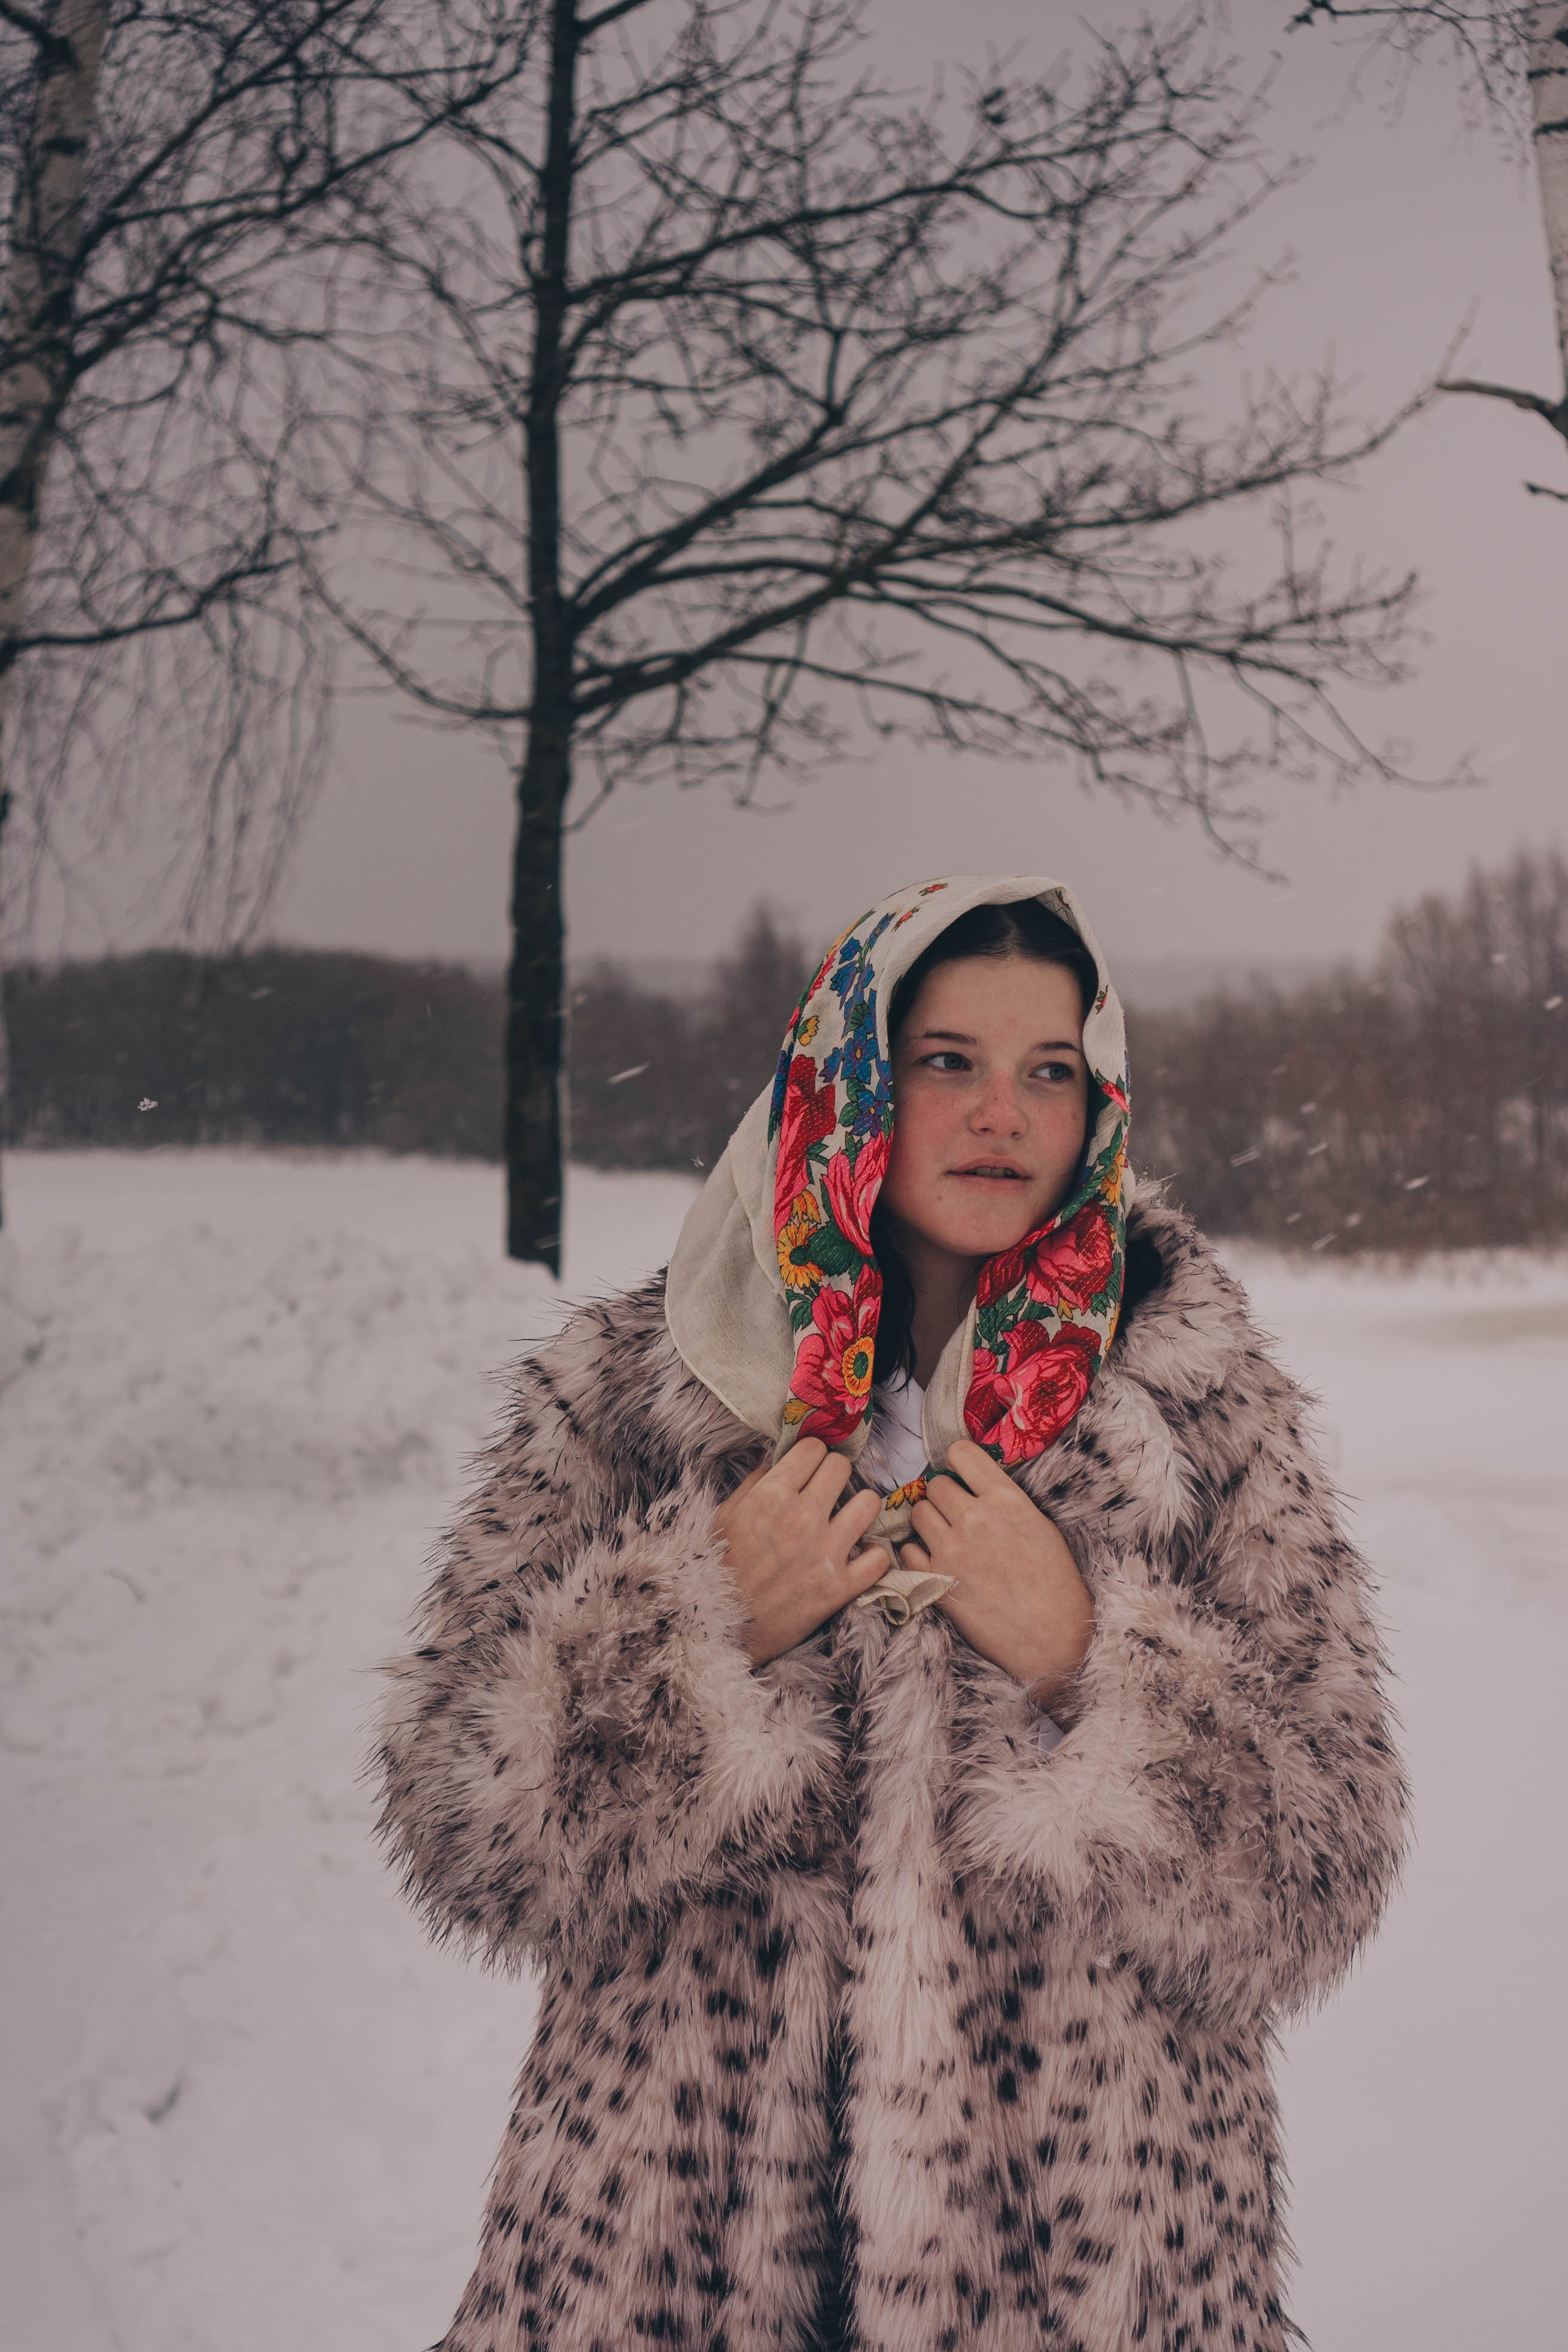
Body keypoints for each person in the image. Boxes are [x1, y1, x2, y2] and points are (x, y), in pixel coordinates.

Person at [371, 874, 1409, 2352]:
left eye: (1049, 1070)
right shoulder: (640, 1387)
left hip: (1085, 2266)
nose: (1003, 1112)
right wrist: (697, 1628)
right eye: (946, 1062)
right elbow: (460, 1824)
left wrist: (1085, 1664)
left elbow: (1326, 1876)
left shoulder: (1194, 1403)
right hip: (664, 2252)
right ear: (845, 1077)